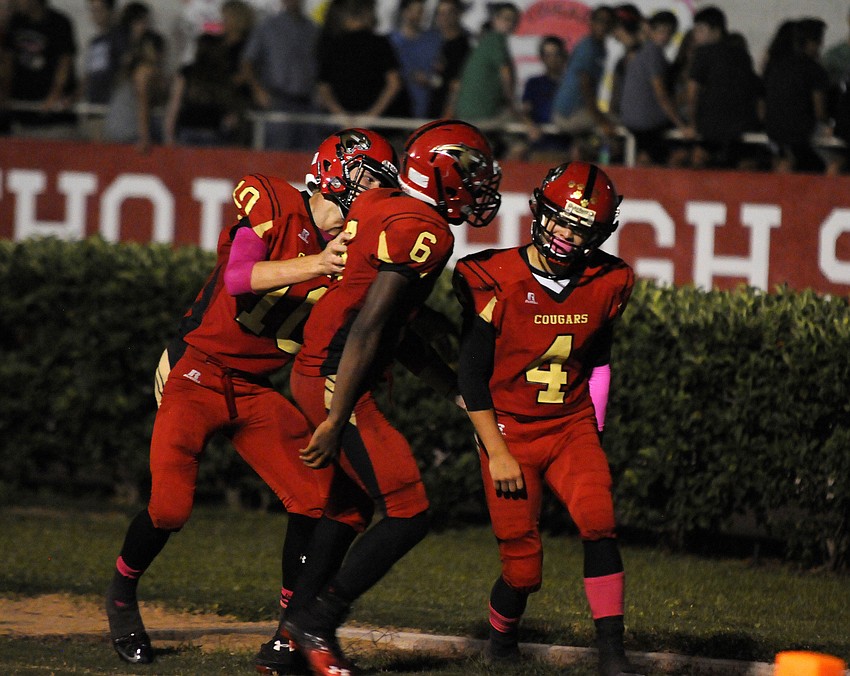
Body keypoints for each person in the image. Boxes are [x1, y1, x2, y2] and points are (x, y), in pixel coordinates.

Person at [103, 128, 400, 668]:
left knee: (318, 497)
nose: (373, 193)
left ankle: (290, 628)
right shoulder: (275, 202)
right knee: (169, 508)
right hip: (199, 374)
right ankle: (122, 597)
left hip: (255, 390)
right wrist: (318, 265)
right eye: (367, 179)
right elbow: (241, 277)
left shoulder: (357, 251)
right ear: (335, 171)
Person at [280, 119, 502, 676]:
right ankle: (317, 623)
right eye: (469, 170)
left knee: (350, 510)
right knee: (409, 511)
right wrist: (335, 417)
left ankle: (285, 644)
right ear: (440, 168)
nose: (478, 183)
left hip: (324, 367)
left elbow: (392, 327)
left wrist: (449, 384)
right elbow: (372, 328)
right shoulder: (424, 229)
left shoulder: (386, 206)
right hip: (336, 373)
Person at [453, 160, 639, 676]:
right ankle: (501, 642)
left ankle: (612, 655)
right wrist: (496, 453)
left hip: (569, 425)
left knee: (600, 522)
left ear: (598, 233)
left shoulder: (608, 280)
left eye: (580, 227)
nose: (565, 234)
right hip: (507, 430)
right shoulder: (490, 275)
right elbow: (471, 378)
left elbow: (598, 361)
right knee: (522, 566)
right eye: (560, 219)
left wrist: (593, 434)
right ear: (539, 213)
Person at [315, 0, 410, 143]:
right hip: (382, 132)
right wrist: (370, 117)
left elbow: (323, 88)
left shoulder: (332, 45)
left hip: (345, 134)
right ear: (366, 13)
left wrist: (342, 116)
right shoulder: (380, 43)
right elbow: (394, 83)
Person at [684, 6, 762, 169]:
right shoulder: (742, 55)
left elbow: (692, 92)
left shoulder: (703, 53)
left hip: (710, 127)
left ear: (716, 30)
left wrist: (691, 124)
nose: (696, 35)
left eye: (700, 29)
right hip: (741, 127)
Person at [239, 0, 319, 150]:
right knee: (276, 154)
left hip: (307, 104)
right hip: (276, 101)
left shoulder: (312, 29)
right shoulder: (267, 27)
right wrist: (257, 90)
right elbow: (247, 61)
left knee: (307, 156)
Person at [0, 0, 77, 137]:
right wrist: (5, 93)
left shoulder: (59, 22)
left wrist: (55, 94)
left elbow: (64, 63)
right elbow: (8, 62)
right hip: (22, 113)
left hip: (54, 119)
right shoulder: (16, 22)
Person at [619, 10, 686, 166]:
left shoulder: (642, 52)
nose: (665, 36)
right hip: (647, 122)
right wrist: (681, 125)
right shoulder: (654, 54)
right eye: (661, 31)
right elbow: (661, 94)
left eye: (669, 32)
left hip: (631, 119)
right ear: (651, 30)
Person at [763, 18, 830, 173]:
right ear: (812, 43)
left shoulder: (775, 67)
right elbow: (820, 112)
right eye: (820, 42)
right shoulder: (815, 70)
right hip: (801, 138)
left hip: (773, 134)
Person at [551, 5, 617, 160]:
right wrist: (599, 118)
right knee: (616, 126)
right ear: (591, 22)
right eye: (600, 21)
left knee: (605, 125)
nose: (603, 26)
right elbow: (585, 84)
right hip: (569, 113)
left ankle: (581, 154)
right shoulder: (589, 47)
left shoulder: (598, 47)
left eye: (608, 22)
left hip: (574, 111)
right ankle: (605, 165)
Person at [453, 2, 520, 131]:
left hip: (464, 114)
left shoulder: (484, 42)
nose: (509, 23)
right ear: (495, 19)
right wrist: (512, 104)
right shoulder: (497, 39)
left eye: (513, 20)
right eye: (506, 19)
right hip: (483, 116)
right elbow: (505, 74)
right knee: (522, 130)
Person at [102, 28, 167, 153]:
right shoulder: (145, 71)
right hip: (128, 129)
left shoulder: (128, 68)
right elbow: (142, 102)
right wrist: (144, 136)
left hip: (113, 127)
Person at [507, 35, 569, 162]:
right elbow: (525, 111)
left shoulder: (570, 85)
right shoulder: (534, 83)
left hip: (565, 144)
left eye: (556, 54)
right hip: (538, 143)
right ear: (542, 57)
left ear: (563, 56)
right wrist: (530, 126)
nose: (552, 59)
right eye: (547, 55)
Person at [389, 0, 442, 119]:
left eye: (420, 12)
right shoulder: (390, 42)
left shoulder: (435, 39)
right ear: (403, 12)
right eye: (412, 11)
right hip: (398, 112)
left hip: (429, 112)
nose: (416, 16)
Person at [426, 0, 470, 118]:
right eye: (441, 13)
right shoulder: (432, 41)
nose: (444, 17)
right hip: (426, 110)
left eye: (449, 12)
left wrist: (448, 114)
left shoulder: (464, 46)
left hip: (446, 116)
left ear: (458, 14)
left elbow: (458, 83)